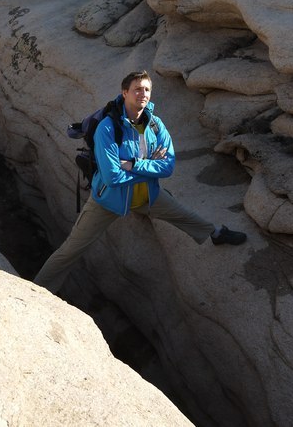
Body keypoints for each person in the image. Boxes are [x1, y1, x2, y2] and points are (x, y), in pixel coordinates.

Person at [34, 70, 247, 294]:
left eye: (146, 89)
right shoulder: (108, 128)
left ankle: (216, 234)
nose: (142, 94)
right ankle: (38, 289)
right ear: (124, 93)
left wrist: (134, 165)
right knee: (71, 249)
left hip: (146, 195)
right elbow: (112, 177)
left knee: (183, 214)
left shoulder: (155, 125)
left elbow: (168, 166)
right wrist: (149, 167)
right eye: (137, 89)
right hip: (108, 200)